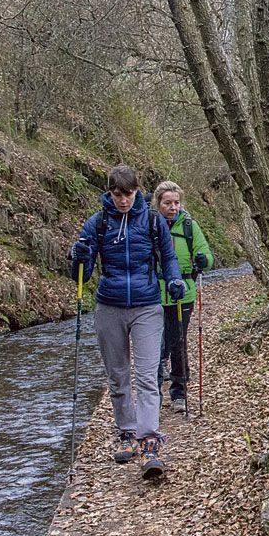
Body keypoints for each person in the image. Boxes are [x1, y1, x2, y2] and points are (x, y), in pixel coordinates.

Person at [69, 165, 185, 481]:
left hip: (147, 305)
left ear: (138, 191)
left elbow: (168, 258)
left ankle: (149, 440)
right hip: (109, 305)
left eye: (129, 194)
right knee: (117, 375)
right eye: (118, 194)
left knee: (147, 375)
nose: (124, 200)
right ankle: (126, 432)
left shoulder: (152, 221)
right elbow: (81, 269)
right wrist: (78, 255)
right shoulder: (98, 223)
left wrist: (174, 280)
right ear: (110, 192)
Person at [151, 180, 214, 414]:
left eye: (176, 202)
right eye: (168, 203)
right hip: (154, 293)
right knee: (156, 346)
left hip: (184, 293)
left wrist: (203, 259)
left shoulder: (189, 226)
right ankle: (153, 393)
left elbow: (206, 252)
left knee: (177, 341)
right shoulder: (150, 226)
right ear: (158, 204)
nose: (173, 207)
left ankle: (178, 392)